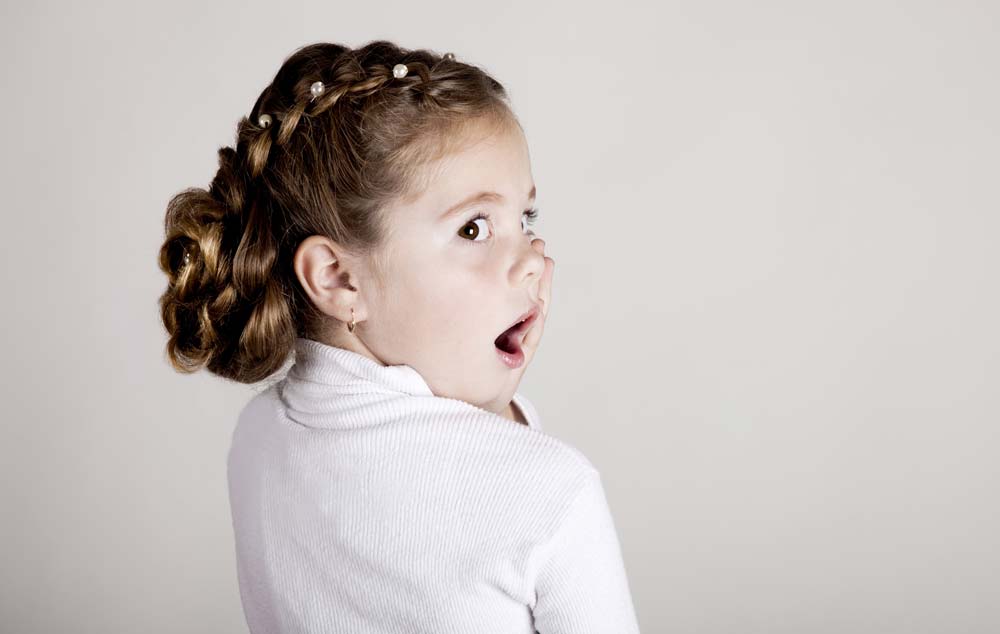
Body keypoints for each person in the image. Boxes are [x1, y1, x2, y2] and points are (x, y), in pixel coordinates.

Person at [157, 40, 640, 634]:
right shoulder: (551, 493)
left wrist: (489, 410)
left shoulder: (258, 438)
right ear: (338, 279)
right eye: (474, 227)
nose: (533, 261)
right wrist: (504, 427)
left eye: (526, 220)